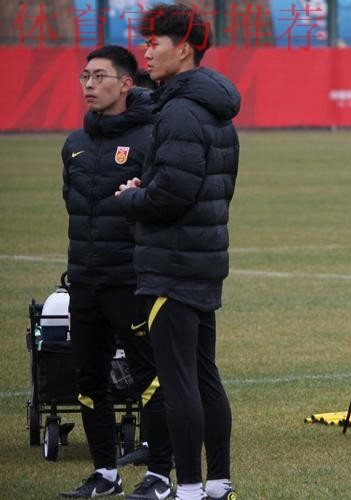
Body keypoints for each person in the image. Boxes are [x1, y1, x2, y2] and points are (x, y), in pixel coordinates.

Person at [116, 4, 241, 499]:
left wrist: (132, 197)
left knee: (178, 379)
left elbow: (172, 194)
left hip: (172, 263)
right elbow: (209, 187)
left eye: (155, 43)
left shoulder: (182, 111)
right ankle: (218, 484)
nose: (145, 52)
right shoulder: (209, 106)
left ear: (184, 49)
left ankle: (188, 488)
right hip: (201, 257)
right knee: (204, 374)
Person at [59, 45, 174, 499]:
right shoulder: (74, 144)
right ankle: (105, 474)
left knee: (149, 379)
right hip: (85, 281)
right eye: (85, 76)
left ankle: (160, 477)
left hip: (132, 281)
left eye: (99, 76)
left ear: (126, 84)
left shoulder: (151, 139)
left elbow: (163, 205)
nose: (89, 84)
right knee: (89, 381)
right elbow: (72, 205)